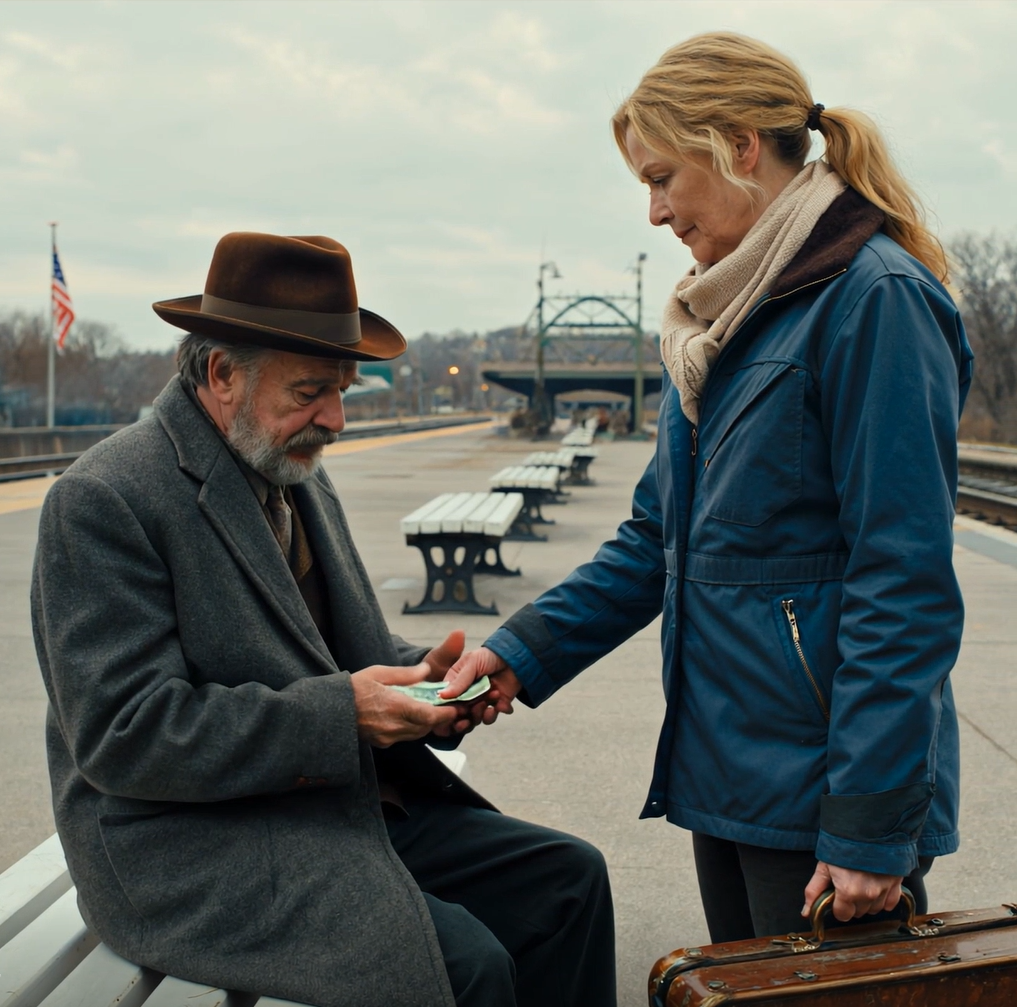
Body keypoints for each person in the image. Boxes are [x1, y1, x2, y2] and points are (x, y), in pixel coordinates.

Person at [445, 32, 974, 943]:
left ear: (736, 146)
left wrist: (867, 823)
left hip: (822, 792)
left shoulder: (873, 300)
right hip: (728, 774)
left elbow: (904, 580)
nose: (653, 213)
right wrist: (519, 652)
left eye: (661, 179)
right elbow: (657, 541)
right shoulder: (718, 321)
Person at [31, 232, 615, 1007]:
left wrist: (428, 682)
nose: (335, 418)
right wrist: (346, 715)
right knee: (465, 966)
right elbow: (124, 735)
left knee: (569, 882)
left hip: (323, 806)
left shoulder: (291, 466)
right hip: (188, 847)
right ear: (222, 374)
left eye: (342, 388)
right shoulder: (104, 499)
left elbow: (331, 651)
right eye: (311, 391)